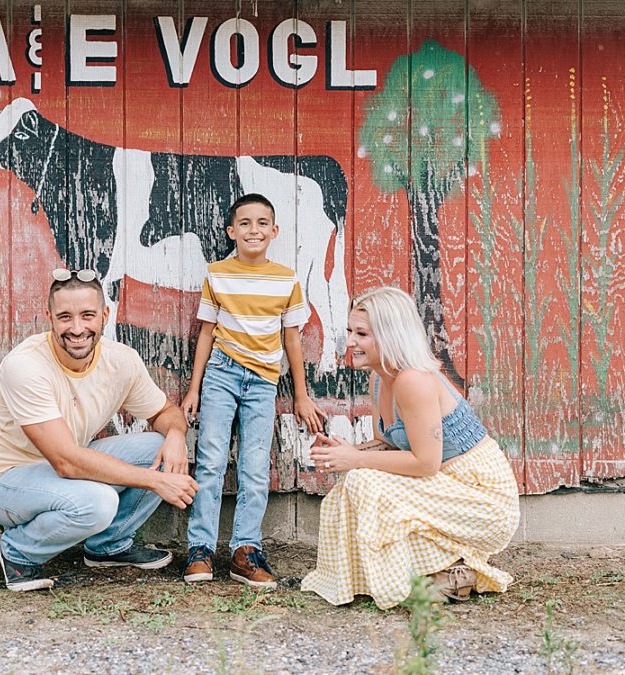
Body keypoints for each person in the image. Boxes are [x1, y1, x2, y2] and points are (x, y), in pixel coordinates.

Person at [0, 269, 199, 592]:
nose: (77, 328)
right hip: (6, 482)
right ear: (49, 317)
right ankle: (18, 551)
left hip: (63, 470)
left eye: (87, 315)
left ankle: (109, 545)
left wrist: (176, 436)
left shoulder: (121, 361)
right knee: (98, 501)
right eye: (65, 317)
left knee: (156, 445)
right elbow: (67, 462)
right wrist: (156, 480)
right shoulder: (26, 366)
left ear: (105, 315)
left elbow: (165, 412)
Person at [301, 286, 519, 608]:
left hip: (482, 496)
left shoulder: (412, 380)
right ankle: (445, 573)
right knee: (354, 482)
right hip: (444, 485)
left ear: (390, 335)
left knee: (364, 479)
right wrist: (349, 450)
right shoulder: (380, 378)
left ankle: (447, 571)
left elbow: (426, 463)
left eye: (361, 333)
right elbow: (389, 444)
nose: (349, 342)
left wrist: (355, 460)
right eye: (350, 331)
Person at [181, 193, 326, 589]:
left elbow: (292, 339)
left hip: (263, 379)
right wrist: (194, 389)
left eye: (262, 223)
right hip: (221, 375)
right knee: (210, 460)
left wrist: (300, 394)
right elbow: (207, 333)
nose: (253, 230)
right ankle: (201, 550)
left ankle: (245, 550)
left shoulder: (286, 279)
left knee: (255, 466)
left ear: (274, 231)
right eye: (244, 223)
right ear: (231, 231)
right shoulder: (216, 274)